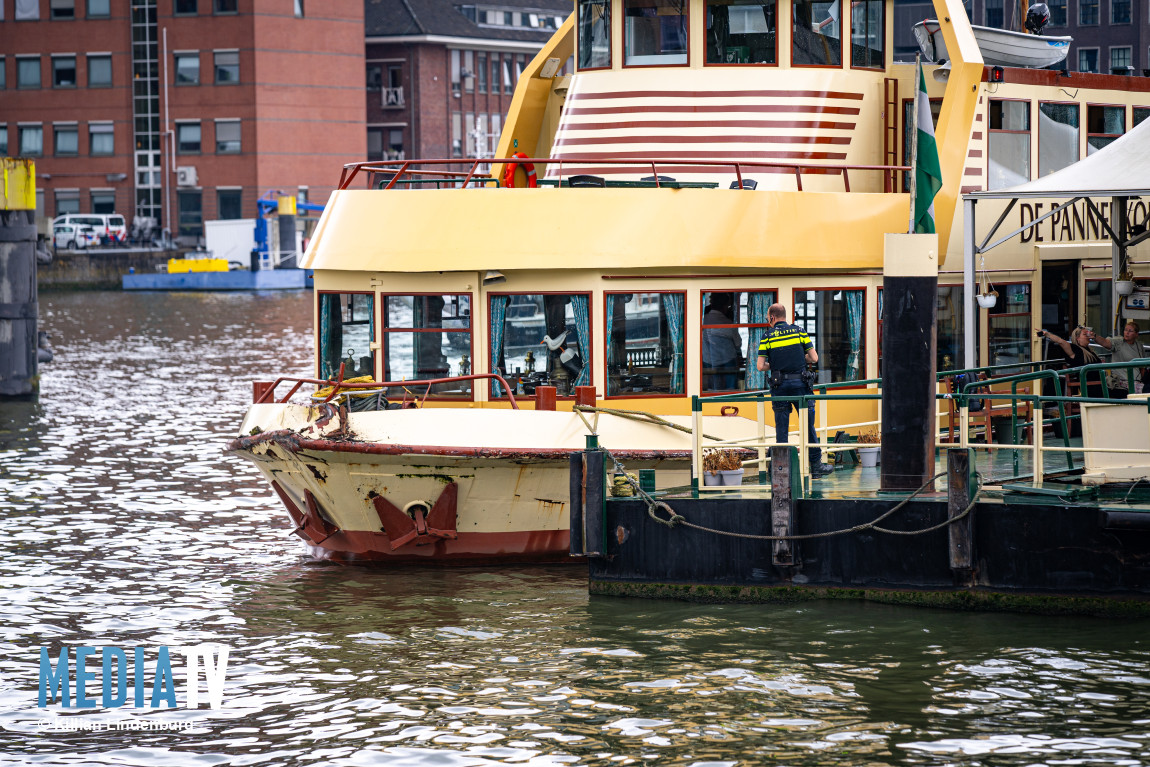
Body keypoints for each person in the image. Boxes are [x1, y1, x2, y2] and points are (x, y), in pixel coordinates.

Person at [757, 303, 834, 476]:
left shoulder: (767, 336)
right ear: (785, 315)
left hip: (779, 387)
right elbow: (813, 358)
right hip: (801, 386)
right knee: (809, 427)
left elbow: (760, 366)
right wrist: (800, 358)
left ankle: (780, 470)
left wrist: (776, 365)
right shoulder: (800, 331)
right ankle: (816, 467)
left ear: (772, 318)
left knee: (781, 430)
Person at [1037, 325, 1104, 398]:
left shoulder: (1090, 351)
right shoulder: (1075, 350)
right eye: (1085, 334)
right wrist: (1047, 334)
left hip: (1100, 384)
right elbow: (1061, 342)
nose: (1088, 336)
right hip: (1091, 388)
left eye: (1088, 333)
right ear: (1077, 338)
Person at [1094, 320, 1147, 399]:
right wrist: (1094, 336)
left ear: (1136, 334)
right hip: (1122, 381)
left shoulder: (1139, 346)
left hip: (1138, 381)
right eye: (1125, 330)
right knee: (1145, 391)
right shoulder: (1119, 342)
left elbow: (1142, 367)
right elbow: (1105, 343)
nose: (1127, 333)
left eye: (1130, 331)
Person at [701, 293, 743, 391]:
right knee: (730, 388)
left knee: (713, 388)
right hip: (728, 362)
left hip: (708, 361)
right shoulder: (728, 323)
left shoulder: (703, 321)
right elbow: (738, 344)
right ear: (725, 306)